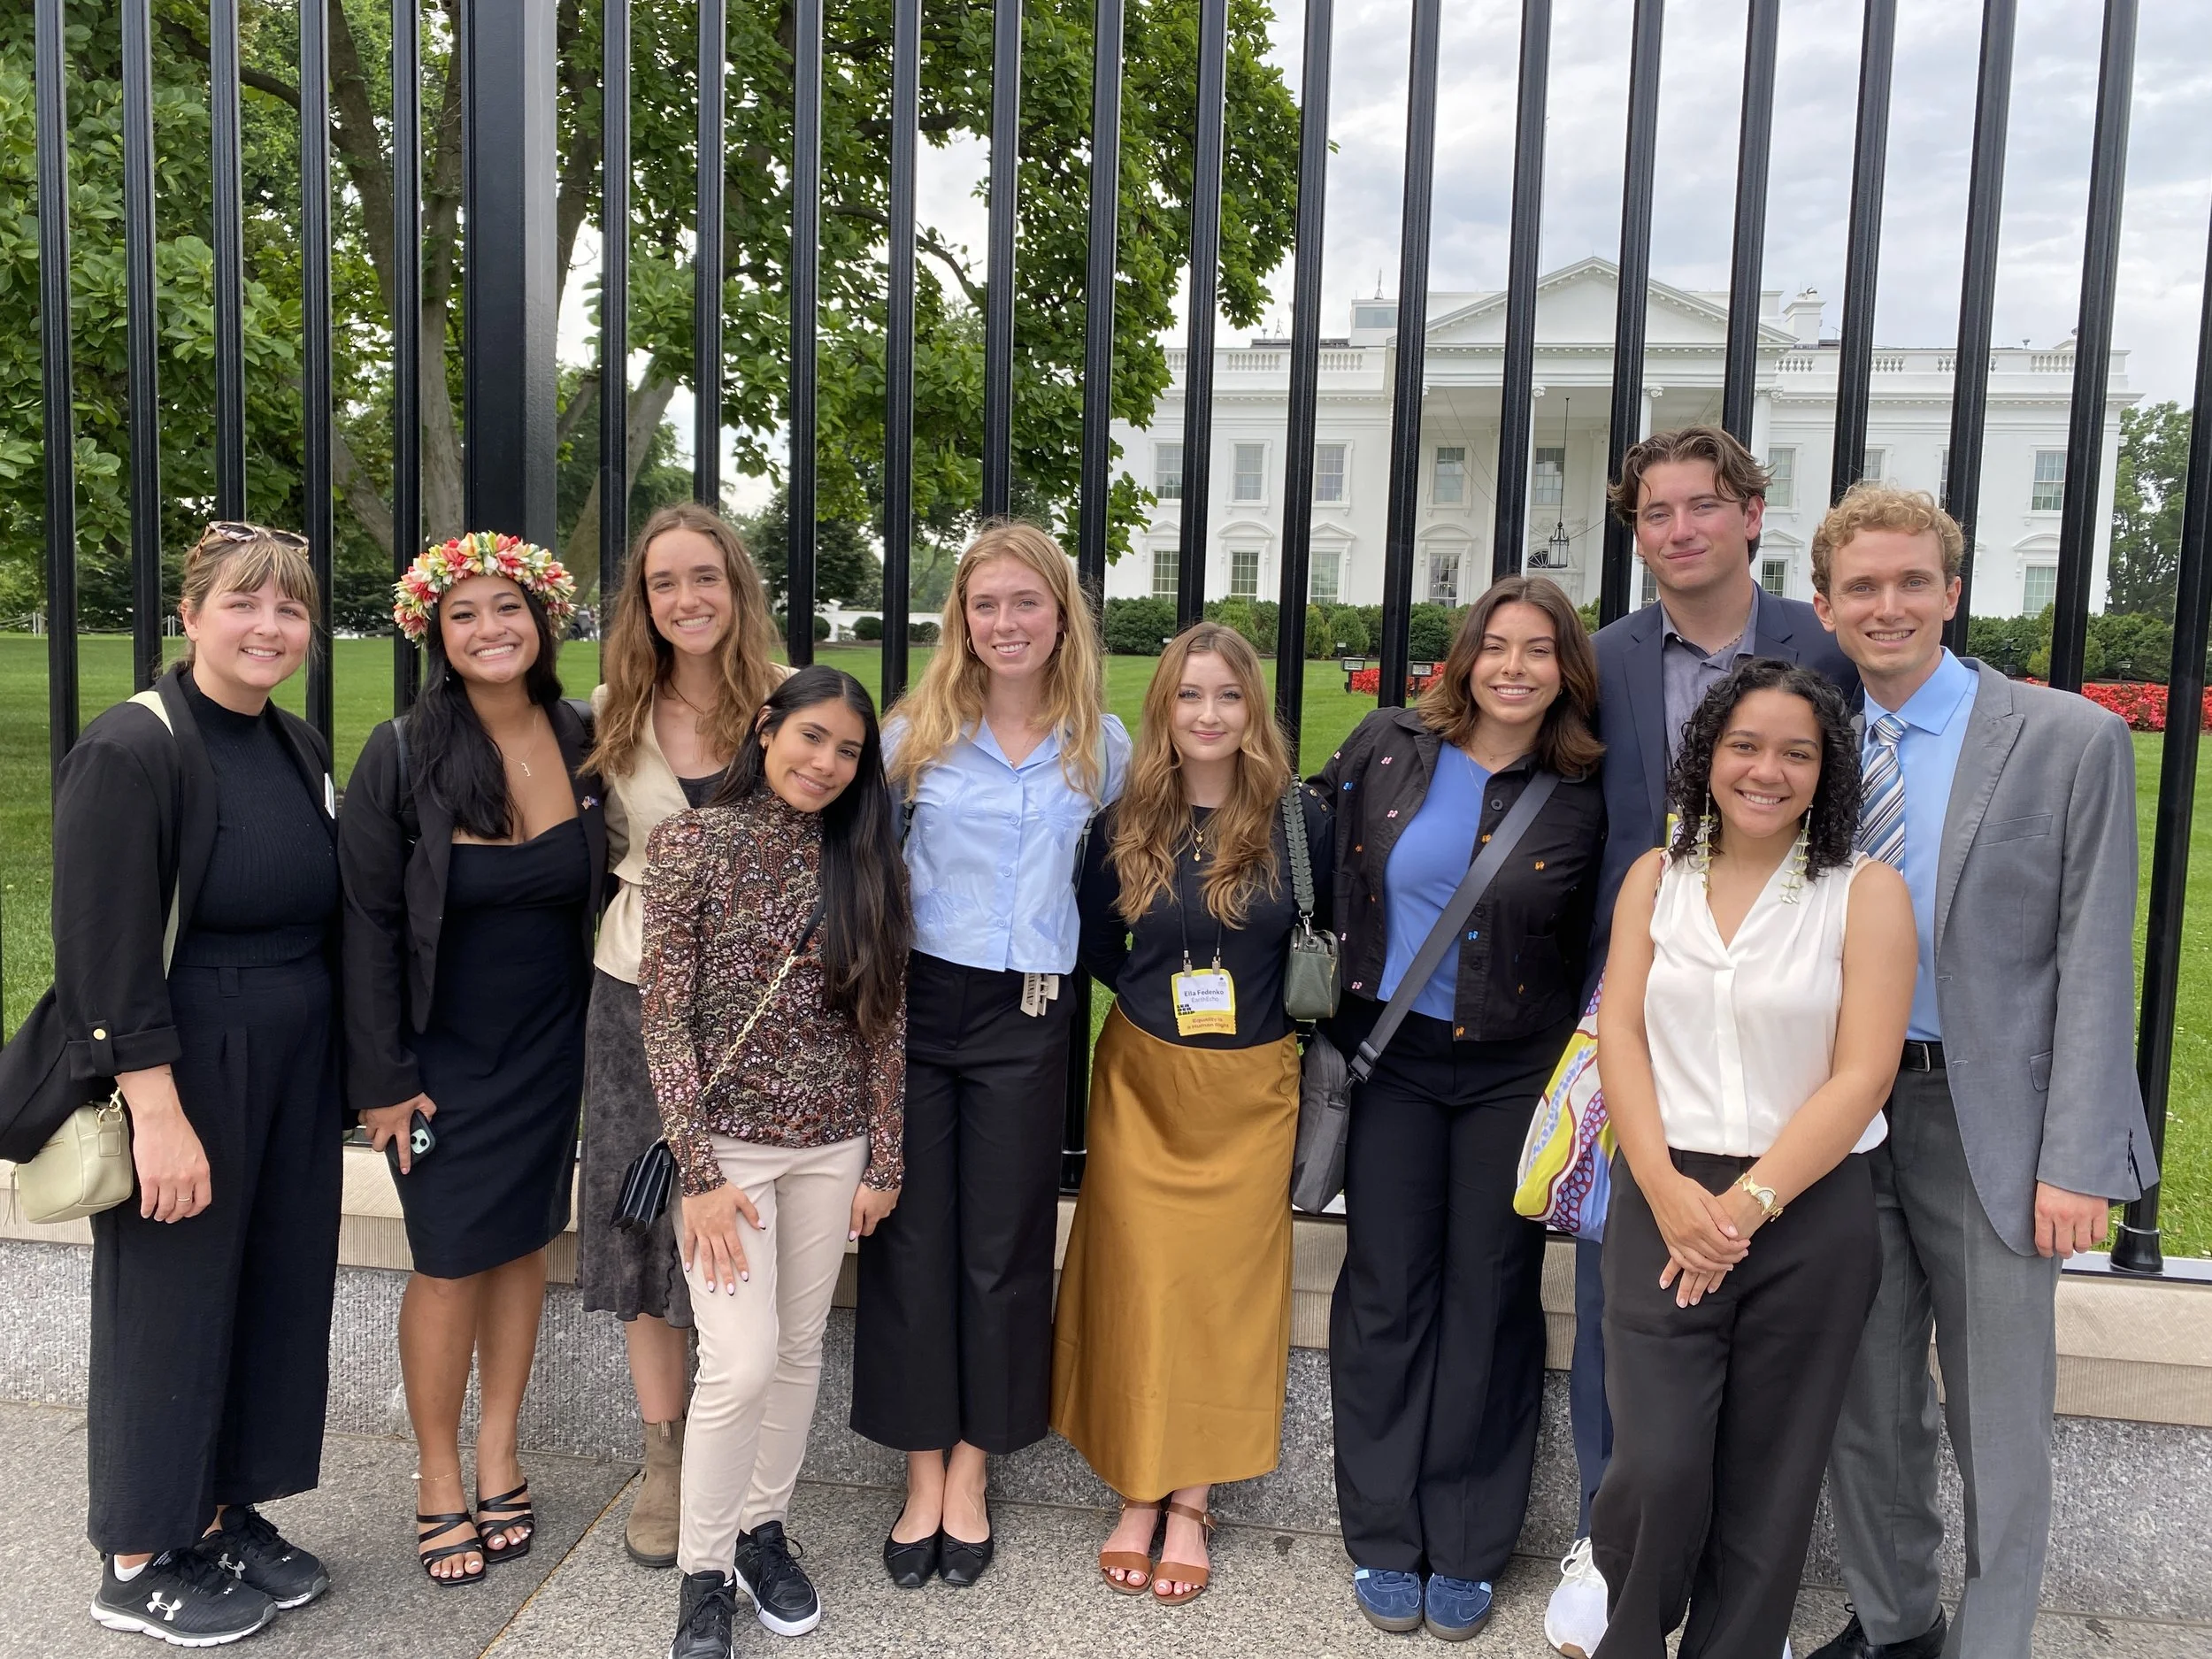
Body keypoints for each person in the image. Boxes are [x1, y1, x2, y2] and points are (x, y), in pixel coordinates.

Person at [1804, 485, 2156, 1659]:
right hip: (1840, 1114)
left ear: (1954, 592)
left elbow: (2096, 956)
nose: (1888, 603)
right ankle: (1900, 1621)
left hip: (1991, 1120)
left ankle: (1992, 1639)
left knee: (2000, 1419)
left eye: (1913, 580)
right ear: (1825, 603)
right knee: (1866, 1399)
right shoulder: (1804, 739)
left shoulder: (2065, 738)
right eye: (1863, 585)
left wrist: (2078, 1157)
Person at [1551, 426, 1861, 1657]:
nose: (1679, 530)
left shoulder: (1825, 645)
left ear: (1751, 512)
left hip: (1793, 1009)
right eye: (1656, 513)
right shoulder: (1607, 655)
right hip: (1638, 1006)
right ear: (1637, 532)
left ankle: (1736, 1606)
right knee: (1624, 1325)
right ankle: (1612, 1544)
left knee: (1762, 1366)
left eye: (1702, 506)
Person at [37, 525, 343, 1646]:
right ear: (190, 616)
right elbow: (105, 953)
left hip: (293, 1058)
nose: (268, 628)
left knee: (271, 1290)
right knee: (169, 1304)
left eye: (290, 611)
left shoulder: (295, 744)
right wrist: (157, 1113)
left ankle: (221, 1512)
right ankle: (135, 1553)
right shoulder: (133, 749)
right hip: (188, 1058)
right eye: (243, 606)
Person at [1589, 659, 1914, 1658]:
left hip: (1806, 1212)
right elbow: (1622, 1039)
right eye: (1744, 745)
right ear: (1707, 754)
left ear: (1826, 773)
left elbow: (1861, 1077)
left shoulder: (1865, 894)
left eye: (1795, 752)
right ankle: (1633, 1637)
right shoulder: (1657, 876)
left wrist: (1741, 1211)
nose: (1765, 769)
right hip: (1665, 1188)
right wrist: (1665, 1189)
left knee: (1771, 1484)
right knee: (1656, 1463)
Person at [1317, 575, 1606, 1642]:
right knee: (1386, 1291)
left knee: (1490, 1298)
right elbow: (1307, 849)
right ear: (1465, 656)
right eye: (1496, 645)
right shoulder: (1388, 747)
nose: (1514, 667)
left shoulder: (1586, 785)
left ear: (1564, 668)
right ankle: (1385, 1535)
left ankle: (1471, 1541)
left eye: (1538, 649)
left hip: (1512, 1072)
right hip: (1388, 1060)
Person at [850, 520, 1131, 1588]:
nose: (1005, 623)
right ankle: (922, 1469)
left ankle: (973, 1467)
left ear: (1061, 614)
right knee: (913, 1239)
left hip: (1030, 1012)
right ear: (958, 620)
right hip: (920, 1010)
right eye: (984, 605)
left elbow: (1129, 883)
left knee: (1004, 1245)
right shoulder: (911, 735)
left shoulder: (1100, 747)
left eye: (1025, 602)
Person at [338, 533, 605, 1586]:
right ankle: (439, 1472)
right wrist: (384, 1078)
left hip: (551, 1047)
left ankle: (502, 1449)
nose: (491, 629)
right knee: (448, 1261)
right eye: (465, 614)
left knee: (523, 1246)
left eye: (510, 609)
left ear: (543, 621)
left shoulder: (581, 731)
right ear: (434, 634)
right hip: (438, 1058)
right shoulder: (401, 752)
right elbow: (361, 923)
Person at [1054, 623, 1333, 1606]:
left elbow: (1326, 941)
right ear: (1163, 707)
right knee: (1138, 1284)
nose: (1207, 715)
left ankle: (1192, 1502)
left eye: (1226, 696)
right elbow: (1096, 944)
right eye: (1187, 695)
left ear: (1252, 709)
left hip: (1252, 1093)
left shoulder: (1301, 823)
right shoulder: (1122, 822)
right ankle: (1136, 1488)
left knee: (1219, 1297)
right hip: (1139, 1080)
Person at [646, 668, 912, 1659]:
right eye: (811, 738)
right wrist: (700, 1173)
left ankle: (763, 1529)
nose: (826, 764)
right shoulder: (691, 845)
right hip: (727, 1158)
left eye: (848, 751)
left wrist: (884, 1160)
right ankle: (701, 1574)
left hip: (832, 1148)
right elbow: (663, 1018)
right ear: (765, 730)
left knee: (796, 1352)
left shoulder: (870, 858)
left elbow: (886, 1025)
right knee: (740, 1360)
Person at [578, 503, 784, 1570]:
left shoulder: (788, 709)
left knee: (737, 1216)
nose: (686, 599)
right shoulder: (611, 713)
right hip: (632, 994)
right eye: (664, 583)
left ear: (735, 587)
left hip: (757, 1016)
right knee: (642, 1213)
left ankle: (734, 1441)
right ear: (643, 601)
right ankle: (665, 1456)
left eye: (705, 577)